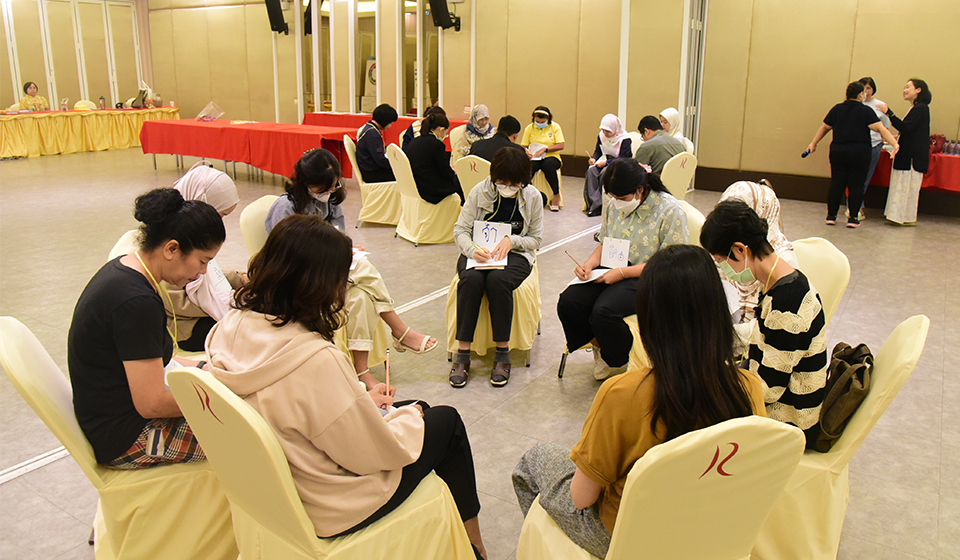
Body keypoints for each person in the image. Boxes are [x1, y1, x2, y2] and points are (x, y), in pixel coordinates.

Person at [206, 215, 488, 558]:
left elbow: (301, 407)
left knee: (415, 411)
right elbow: (368, 453)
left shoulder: (231, 325)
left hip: (276, 484)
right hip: (331, 501)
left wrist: (359, 399)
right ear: (321, 284)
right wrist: (406, 417)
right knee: (445, 421)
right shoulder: (316, 359)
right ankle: (476, 549)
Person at [513, 244, 767, 558]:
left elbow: (581, 498)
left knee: (533, 461)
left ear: (650, 318)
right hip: (710, 529)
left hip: (631, 537)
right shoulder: (748, 388)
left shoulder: (623, 394)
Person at [68, 188, 225, 468]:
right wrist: (219, 398)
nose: (203, 272)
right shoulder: (136, 302)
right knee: (253, 434)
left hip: (118, 416)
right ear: (172, 249)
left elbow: (157, 363)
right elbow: (151, 404)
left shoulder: (125, 269)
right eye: (203, 261)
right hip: (129, 437)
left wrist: (211, 372)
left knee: (230, 383)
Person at [265, 148, 437, 396]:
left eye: (333, 186)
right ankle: (400, 330)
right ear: (305, 182)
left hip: (329, 269)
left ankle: (361, 371)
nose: (329, 193)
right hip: (300, 275)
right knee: (364, 269)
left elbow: (337, 236)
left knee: (361, 298)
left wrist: (347, 247)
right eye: (324, 188)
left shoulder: (330, 201)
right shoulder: (286, 207)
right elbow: (284, 254)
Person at [700, 199, 828, 449]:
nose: (724, 269)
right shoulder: (780, 280)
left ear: (740, 250)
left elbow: (768, 389)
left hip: (790, 422)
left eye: (721, 261)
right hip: (778, 396)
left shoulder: (786, 304)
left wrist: (716, 381)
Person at [557, 159, 688, 380]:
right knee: (569, 302)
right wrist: (589, 264)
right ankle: (602, 348)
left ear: (640, 190)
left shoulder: (670, 210)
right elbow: (605, 242)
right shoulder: (614, 204)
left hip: (650, 276)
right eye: (613, 197)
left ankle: (618, 359)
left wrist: (622, 274)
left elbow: (669, 263)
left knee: (604, 311)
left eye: (622, 198)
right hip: (611, 267)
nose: (616, 203)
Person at [450, 147, 543, 388]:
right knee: (471, 281)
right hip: (478, 252)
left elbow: (536, 239)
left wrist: (512, 240)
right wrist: (472, 250)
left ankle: (503, 353)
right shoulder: (479, 191)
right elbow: (461, 230)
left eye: (514, 184)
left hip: (516, 254)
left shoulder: (533, 197)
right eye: (502, 183)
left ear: (524, 181)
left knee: (498, 281)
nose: (507, 188)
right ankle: (462, 353)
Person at [162, 161, 244, 351]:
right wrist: (231, 300)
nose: (219, 222)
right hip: (184, 326)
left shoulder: (192, 232)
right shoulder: (170, 241)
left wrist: (238, 279)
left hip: (199, 314)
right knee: (245, 329)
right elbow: (174, 302)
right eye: (220, 214)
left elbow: (207, 275)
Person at [717, 180, 799, 352]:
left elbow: (771, 327)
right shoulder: (731, 249)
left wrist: (719, 335)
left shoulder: (782, 262)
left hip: (760, 350)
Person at [806, 81, 899, 228]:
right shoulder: (865, 111)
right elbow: (880, 128)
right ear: (861, 95)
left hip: (838, 152)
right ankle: (853, 218)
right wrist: (895, 144)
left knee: (837, 184)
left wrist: (813, 143)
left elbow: (824, 127)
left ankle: (831, 216)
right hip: (859, 153)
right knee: (856, 185)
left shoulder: (837, 109)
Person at [880, 78, 931, 226]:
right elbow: (910, 130)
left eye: (908, 87)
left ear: (918, 90)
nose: (905, 90)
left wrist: (889, 113)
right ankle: (901, 216)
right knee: (904, 186)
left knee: (905, 186)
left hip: (911, 158)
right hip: (910, 155)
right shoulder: (918, 108)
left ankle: (902, 217)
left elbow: (906, 127)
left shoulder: (921, 108)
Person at [853, 77, 892, 221]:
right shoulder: (855, 104)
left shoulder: (880, 105)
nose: (866, 91)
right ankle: (854, 206)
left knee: (865, 177)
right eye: (863, 89)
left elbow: (885, 128)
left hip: (874, 145)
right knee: (854, 177)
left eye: (868, 88)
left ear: (873, 89)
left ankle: (857, 206)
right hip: (856, 145)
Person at [406, 112, 464, 204]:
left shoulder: (414, 141)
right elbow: (446, 172)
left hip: (416, 185)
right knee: (460, 182)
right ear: (441, 129)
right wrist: (454, 171)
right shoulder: (437, 145)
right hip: (430, 191)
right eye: (446, 133)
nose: (445, 136)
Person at [583, 114, 633, 217]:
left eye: (608, 131)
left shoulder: (624, 139)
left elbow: (624, 157)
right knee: (591, 171)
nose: (605, 133)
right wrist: (594, 159)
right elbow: (598, 150)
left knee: (605, 173)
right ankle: (594, 204)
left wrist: (607, 163)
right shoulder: (601, 136)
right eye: (603, 130)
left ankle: (603, 204)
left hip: (620, 164)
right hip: (606, 161)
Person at [520, 106, 565, 211]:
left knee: (548, 165)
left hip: (552, 156)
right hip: (535, 157)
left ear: (548, 120)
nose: (539, 124)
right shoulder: (529, 128)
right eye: (537, 122)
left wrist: (545, 149)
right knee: (528, 167)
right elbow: (523, 146)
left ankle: (556, 195)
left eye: (542, 122)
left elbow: (561, 145)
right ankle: (527, 194)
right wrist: (526, 152)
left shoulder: (555, 127)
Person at [356, 104, 399, 183]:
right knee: (403, 173)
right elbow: (380, 160)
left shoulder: (369, 128)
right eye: (390, 123)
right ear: (385, 120)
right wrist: (396, 164)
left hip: (370, 169)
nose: (390, 126)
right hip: (372, 173)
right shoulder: (372, 134)